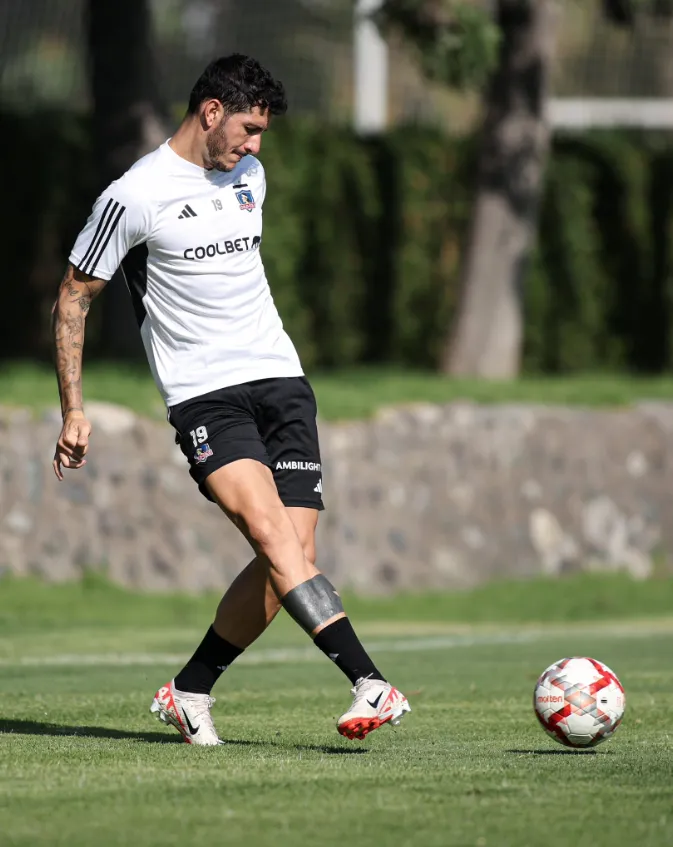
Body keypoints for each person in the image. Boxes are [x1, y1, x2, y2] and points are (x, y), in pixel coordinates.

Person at [51, 54, 410, 746]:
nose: (255, 146)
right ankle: (369, 680)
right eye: (249, 129)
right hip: (205, 396)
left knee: (292, 554)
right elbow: (73, 297)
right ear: (211, 112)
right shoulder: (135, 195)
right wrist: (74, 407)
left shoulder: (250, 176)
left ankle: (188, 691)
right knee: (273, 537)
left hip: (282, 380)